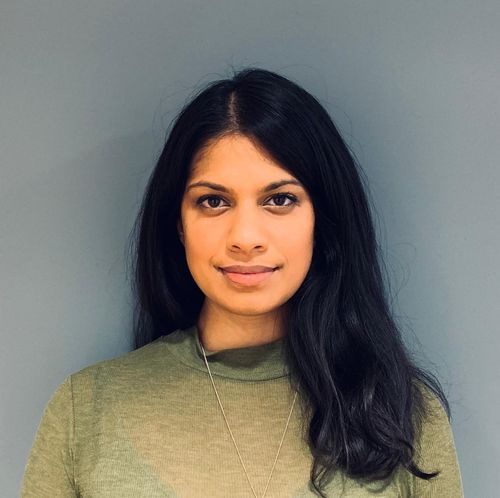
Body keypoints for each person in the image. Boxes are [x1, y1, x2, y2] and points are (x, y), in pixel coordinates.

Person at [20, 67, 464, 498]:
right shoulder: (86, 410)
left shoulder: (402, 416)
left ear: (322, 221)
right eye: (213, 201)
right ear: (179, 224)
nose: (245, 238)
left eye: (280, 199)